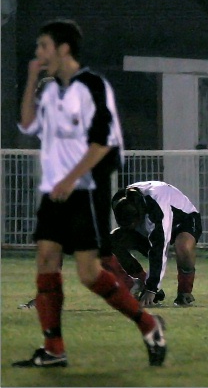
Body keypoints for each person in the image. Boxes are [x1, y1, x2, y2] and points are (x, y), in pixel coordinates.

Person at [13, 19, 166, 368]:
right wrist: (33, 79)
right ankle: (53, 349)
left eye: (43, 46)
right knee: (46, 260)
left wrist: (71, 178)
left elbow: (104, 142)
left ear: (64, 49)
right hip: (56, 193)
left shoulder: (92, 87)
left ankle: (149, 324)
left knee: (89, 274)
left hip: (84, 192)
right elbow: (26, 124)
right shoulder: (51, 91)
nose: (38, 53)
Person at [110, 180, 201, 307]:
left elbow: (159, 249)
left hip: (184, 221)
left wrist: (152, 288)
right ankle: (140, 284)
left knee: (183, 246)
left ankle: (184, 293)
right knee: (112, 241)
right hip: (151, 225)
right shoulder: (119, 200)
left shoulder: (158, 209)